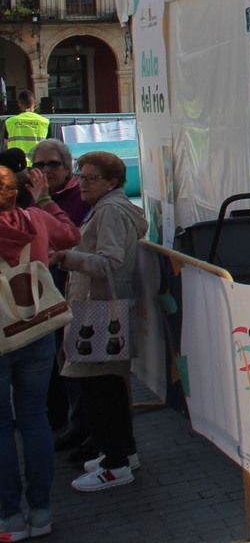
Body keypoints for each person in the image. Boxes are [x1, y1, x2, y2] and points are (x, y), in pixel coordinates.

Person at [51, 152, 146, 493]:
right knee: (106, 387)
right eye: (82, 176)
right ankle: (122, 453)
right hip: (102, 307)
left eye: (91, 178)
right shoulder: (109, 207)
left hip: (100, 309)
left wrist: (66, 258)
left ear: (112, 182)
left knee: (100, 390)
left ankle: (115, 463)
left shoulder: (109, 211)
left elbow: (110, 261)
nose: (82, 183)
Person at [0, 165, 80, 538]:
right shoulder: (36, 218)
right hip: (37, 329)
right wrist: (47, 199)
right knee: (34, 419)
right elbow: (71, 236)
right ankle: (42, 512)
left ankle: (10, 517)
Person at [26, 140, 91, 455]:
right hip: (42, 292)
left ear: (67, 167)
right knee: (55, 360)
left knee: (74, 359)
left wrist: (45, 202)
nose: (46, 171)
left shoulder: (80, 197)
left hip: (74, 286)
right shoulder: (29, 199)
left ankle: (81, 426)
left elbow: (74, 237)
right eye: (39, 165)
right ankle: (62, 421)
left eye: (53, 164)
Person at [3, 92, 49, 167]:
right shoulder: (44, 122)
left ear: (19, 104)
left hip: (16, 166)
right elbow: (49, 145)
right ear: (34, 103)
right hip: (37, 166)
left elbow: (6, 144)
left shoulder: (10, 122)